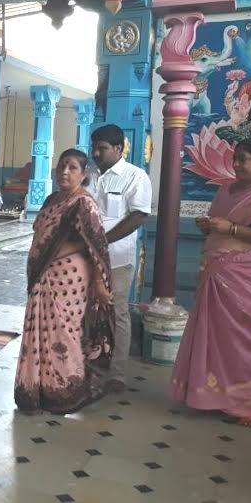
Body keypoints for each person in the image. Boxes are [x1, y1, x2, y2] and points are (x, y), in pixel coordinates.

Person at [170, 137, 251, 427]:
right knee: (216, 340)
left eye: (244, 160)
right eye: (235, 158)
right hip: (218, 275)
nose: (237, 164)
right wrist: (209, 226)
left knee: (245, 342)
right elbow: (221, 226)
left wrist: (232, 229)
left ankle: (245, 405)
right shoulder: (225, 191)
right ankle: (212, 398)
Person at [14, 149, 115, 415]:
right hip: (43, 277)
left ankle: (65, 391)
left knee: (64, 333)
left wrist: (100, 284)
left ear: (83, 174)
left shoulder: (84, 204)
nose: (64, 172)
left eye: (72, 168)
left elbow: (96, 246)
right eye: (61, 166)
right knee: (41, 332)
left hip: (68, 279)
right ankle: (38, 390)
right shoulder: (52, 200)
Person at [89, 124, 152, 393]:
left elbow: (138, 215)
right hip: (86, 259)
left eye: (102, 148)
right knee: (87, 312)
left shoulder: (135, 177)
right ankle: (87, 365)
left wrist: (103, 241)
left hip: (117, 260)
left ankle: (117, 373)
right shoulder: (90, 176)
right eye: (94, 148)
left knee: (117, 313)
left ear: (118, 148)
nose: (96, 153)